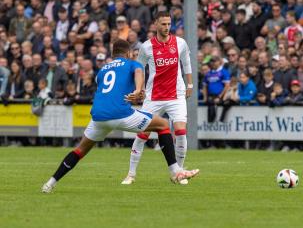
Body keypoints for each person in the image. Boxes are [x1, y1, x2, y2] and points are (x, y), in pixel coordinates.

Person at [42, 40, 199, 193]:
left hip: (98, 117)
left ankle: (50, 183)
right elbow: (138, 72)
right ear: (129, 53)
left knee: (80, 150)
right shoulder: (132, 63)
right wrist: (138, 90)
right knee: (163, 124)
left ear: (112, 54)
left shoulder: (102, 71)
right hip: (120, 114)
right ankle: (174, 171)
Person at [122, 11, 194, 185]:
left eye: (169, 24)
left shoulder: (180, 43)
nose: (167, 27)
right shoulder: (147, 47)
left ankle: (179, 172)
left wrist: (190, 85)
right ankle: (131, 174)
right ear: (155, 24)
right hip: (153, 97)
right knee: (142, 134)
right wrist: (138, 89)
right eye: (163, 24)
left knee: (181, 131)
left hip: (176, 94)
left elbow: (186, 63)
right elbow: (139, 69)